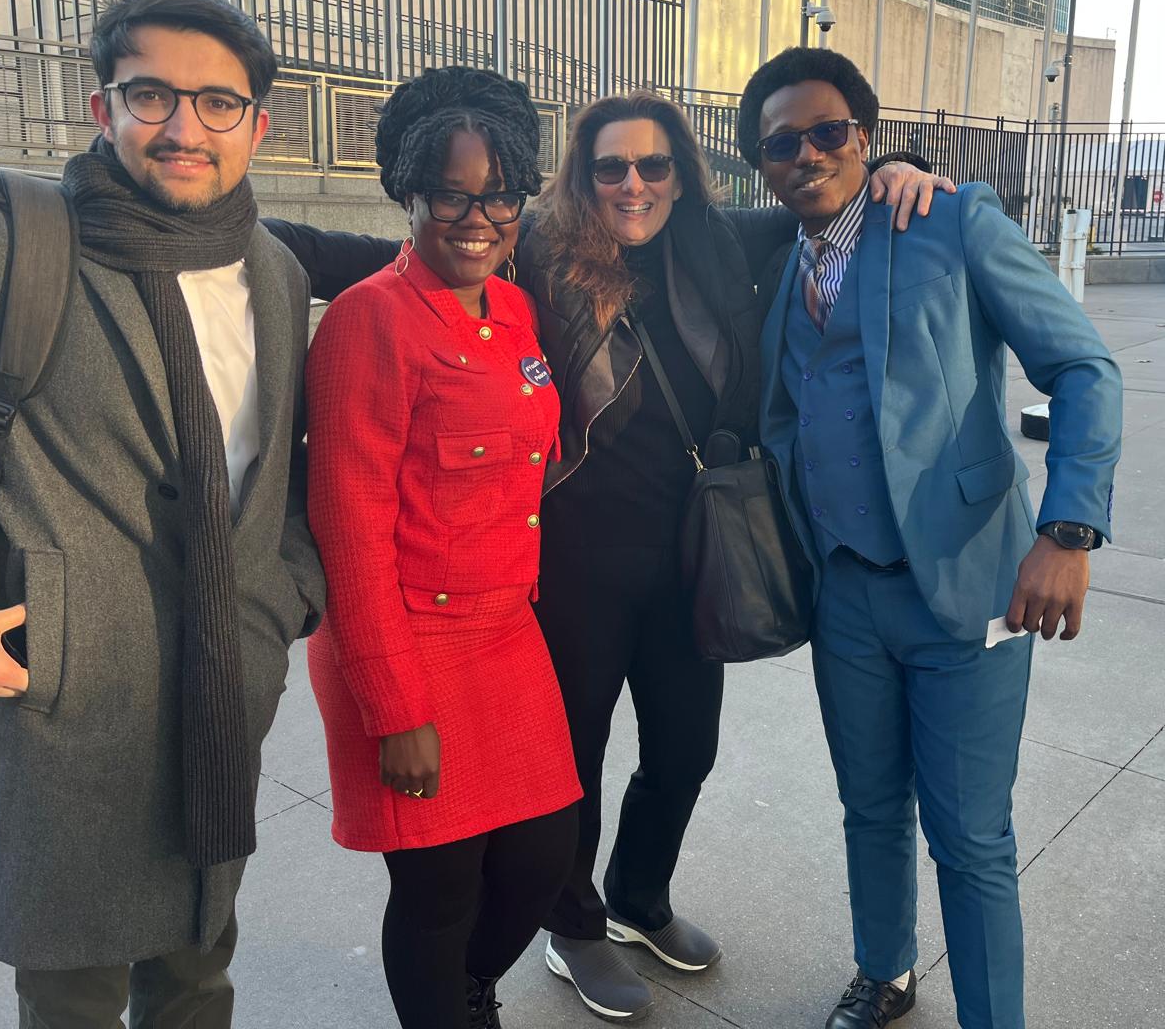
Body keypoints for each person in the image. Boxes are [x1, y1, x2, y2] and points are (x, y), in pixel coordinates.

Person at [268, 92, 954, 1022]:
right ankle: (574, 928)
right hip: (569, 568)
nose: (633, 184)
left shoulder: (720, 244)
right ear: (578, 182)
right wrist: (214, 211)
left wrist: (889, 166)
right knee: (541, 796)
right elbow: (381, 266)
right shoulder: (533, 254)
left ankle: (635, 899)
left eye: (654, 165)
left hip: (684, 556)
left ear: (682, 171)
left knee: (682, 750)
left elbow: (819, 196)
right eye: (609, 167)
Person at [0, 0, 324, 1026]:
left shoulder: (272, 270)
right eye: (151, 94)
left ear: (258, 125)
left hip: (226, 694)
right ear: (102, 108)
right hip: (71, 712)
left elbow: (276, 474)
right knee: (74, 999)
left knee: (197, 976)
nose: (184, 127)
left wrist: (284, 604)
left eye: (217, 103)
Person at [743, 47, 1123, 1029]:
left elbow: (1083, 368)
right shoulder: (784, 262)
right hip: (845, 597)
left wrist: (1067, 529)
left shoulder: (948, 221)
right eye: (782, 143)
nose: (807, 154)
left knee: (971, 838)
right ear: (763, 165)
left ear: (864, 140)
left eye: (828, 131)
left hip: (970, 584)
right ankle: (885, 973)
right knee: (869, 810)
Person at [304, 66, 581, 1029]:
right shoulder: (366, 321)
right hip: (409, 638)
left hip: (506, 634)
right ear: (409, 194)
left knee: (545, 854)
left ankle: (467, 992)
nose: (479, 214)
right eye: (452, 193)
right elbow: (349, 527)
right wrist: (394, 708)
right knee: (437, 887)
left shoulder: (512, 311)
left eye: (499, 192)